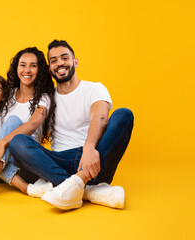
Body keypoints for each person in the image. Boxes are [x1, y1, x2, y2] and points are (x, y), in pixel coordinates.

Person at [9, 40, 134, 210]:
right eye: (53, 60)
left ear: (75, 62)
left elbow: (100, 117)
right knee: (18, 142)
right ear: (50, 68)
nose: (59, 63)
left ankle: (76, 183)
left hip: (95, 158)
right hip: (60, 161)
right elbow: (31, 122)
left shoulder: (94, 88)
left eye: (64, 58)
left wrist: (89, 149)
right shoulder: (47, 97)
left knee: (123, 115)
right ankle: (89, 190)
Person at [0, 47, 56, 204]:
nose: (27, 70)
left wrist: (2, 142)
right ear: (16, 68)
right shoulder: (9, 96)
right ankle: (22, 187)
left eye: (33, 65)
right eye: (23, 64)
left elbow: (33, 124)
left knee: (13, 121)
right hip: (5, 160)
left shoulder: (44, 98)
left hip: (28, 159)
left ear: (40, 70)